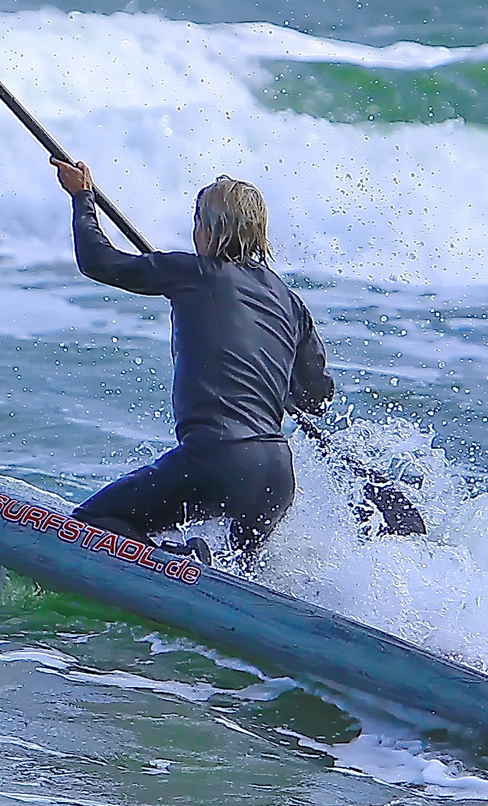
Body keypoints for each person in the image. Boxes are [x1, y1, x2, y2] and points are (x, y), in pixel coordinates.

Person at [51, 157, 334, 559]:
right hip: (275, 474)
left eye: (198, 221)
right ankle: (197, 572)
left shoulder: (192, 272)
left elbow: (97, 260)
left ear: (209, 229)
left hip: (217, 462)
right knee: (239, 573)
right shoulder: (290, 303)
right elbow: (316, 399)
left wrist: (82, 197)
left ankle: (178, 563)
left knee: (99, 522)